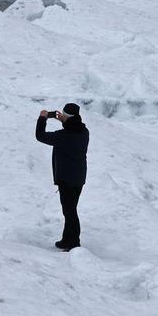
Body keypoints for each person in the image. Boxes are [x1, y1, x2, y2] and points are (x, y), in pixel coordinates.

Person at [35, 102, 89, 251]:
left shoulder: (63, 136)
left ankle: (74, 243)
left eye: (64, 116)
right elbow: (72, 127)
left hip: (66, 180)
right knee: (70, 209)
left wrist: (42, 118)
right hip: (79, 178)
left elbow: (40, 136)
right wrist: (65, 121)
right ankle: (67, 240)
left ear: (67, 117)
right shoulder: (84, 132)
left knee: (69, 212)